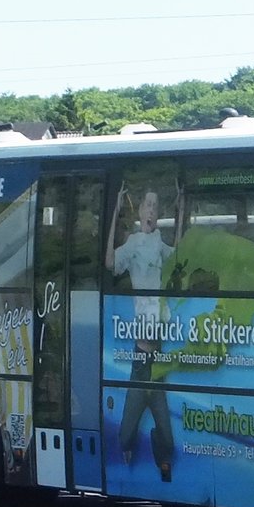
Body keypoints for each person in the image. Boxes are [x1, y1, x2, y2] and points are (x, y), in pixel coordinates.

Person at [106, 184, 175, 480]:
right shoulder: (133, 244)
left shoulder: (159, 243)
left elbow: (178, 256)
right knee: (123, 438)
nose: (151, 210)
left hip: (158, 360)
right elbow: (110, 264)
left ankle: (160, 466)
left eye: (155, 206)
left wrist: (183, 204)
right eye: (147, 205)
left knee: (169, 443)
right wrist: (114, 213)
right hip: (141, 359)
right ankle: (128, 450)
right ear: (140, 211)